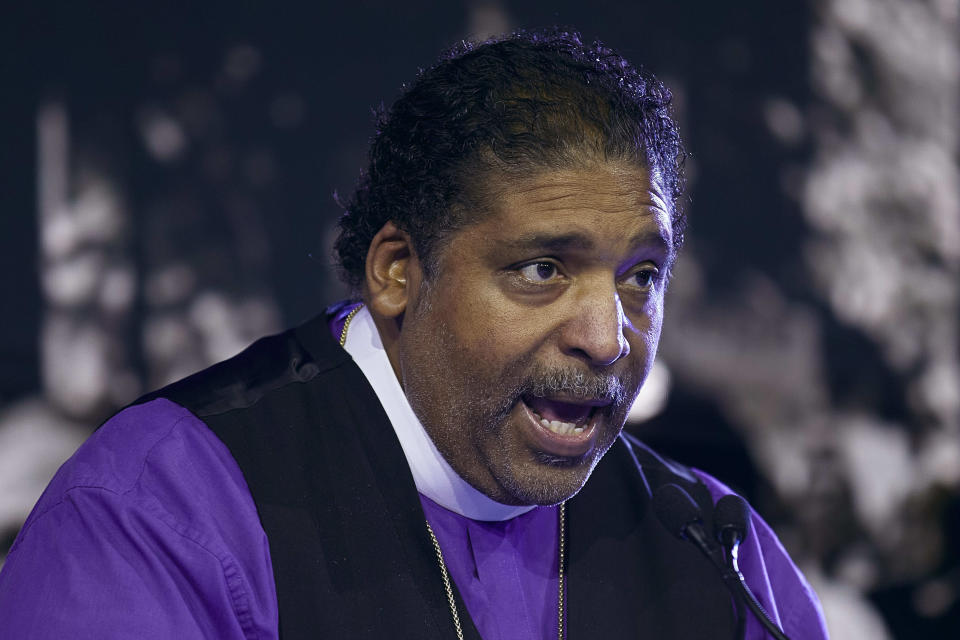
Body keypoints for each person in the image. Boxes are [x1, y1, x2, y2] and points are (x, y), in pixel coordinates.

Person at [0, 29, 828, 639]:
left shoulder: (716, 552)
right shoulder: (155, 514)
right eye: (542, 269)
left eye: (641, 277)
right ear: (397, 270)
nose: (608, 338)